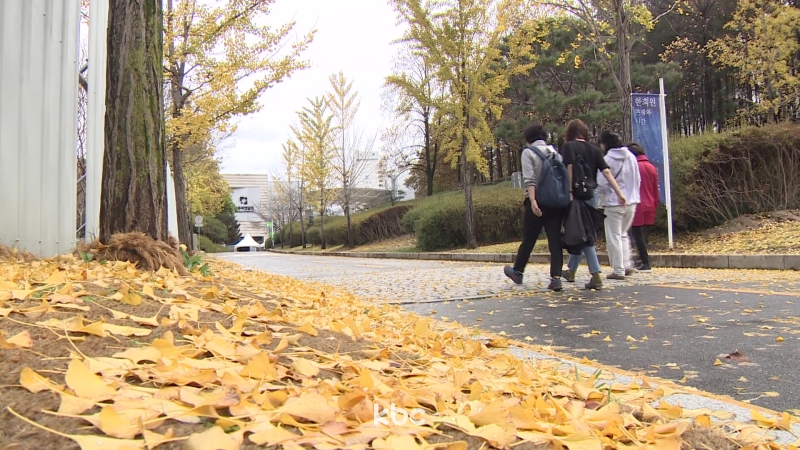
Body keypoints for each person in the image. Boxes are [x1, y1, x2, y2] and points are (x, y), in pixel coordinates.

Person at [561, 119, 627, 289]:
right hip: (591, 195)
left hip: (576, 196)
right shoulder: (594, 149)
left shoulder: (569, 147)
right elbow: (606, 172)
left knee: (584, 236)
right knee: (583, 231)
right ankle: (571, 271)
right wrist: (619, 193)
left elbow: (570, 168)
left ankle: (596, 275)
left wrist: (569, 191)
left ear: (570, 133)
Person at [503, 124, 567, 291]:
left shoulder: (528, 153)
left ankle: (518, 271)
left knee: (529, 237)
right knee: (555, 239)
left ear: (528, 138)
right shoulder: (555, 153)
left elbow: (530, 179)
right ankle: (556, 277)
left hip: (538, 200)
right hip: (556, 201)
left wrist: (532, 201)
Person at [597, 131, 640, 280]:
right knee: (623, 233)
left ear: (605, 144)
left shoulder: (607, 159)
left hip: (613, 202)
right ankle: (627, 264)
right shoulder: (631, 156)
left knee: (613, 236)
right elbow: (637, 178)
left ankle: (618, 269)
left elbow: (602, 183)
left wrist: (600, 198)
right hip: (631, 201)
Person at [628, 142, 659, 272]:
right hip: (650, 203)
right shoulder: (651, 167)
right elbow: (655, 188)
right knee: (643, 235)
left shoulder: (635, 167)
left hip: (638, 203)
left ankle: (644, 261)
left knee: (637, 234)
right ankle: (642, 259)